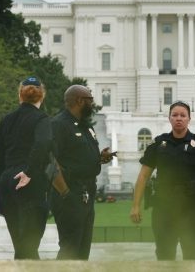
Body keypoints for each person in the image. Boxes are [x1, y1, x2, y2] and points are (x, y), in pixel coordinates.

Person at [130, 101, 195, 260]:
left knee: (193, 253)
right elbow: (143, 175)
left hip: (193, 209)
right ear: (169, 118)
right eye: (175, 115)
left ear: (189, 119)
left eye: (183, 115)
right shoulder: (159, 143)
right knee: (164, 253)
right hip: (164, 208)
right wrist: (135, 206)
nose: (179, 118)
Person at [49, 85, 115, 260]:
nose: (92, 104)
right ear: (79, 101)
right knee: (70, 248)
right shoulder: (59, 125)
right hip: (69, 192)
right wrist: (65, 193)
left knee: (82, 249)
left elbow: (78, 157)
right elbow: (50, 161)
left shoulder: (85, 126)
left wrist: (99, 158)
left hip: (86, 192)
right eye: (90, 100)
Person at [0, 76, 52, 260]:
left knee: (20, 245)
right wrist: (29, 172)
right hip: (29, 182)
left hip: (8, 181)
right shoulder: (42, 119)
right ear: (41, 97)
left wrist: (4, 176)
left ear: (20, 96)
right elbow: (43, 144)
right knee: (29, 245)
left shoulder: (7, 119)